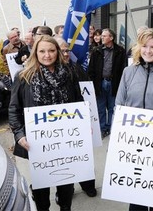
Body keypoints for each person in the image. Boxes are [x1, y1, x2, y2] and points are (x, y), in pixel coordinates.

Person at [8, 35, 84, 211]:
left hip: (66, 141)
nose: (47, 55)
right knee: (41, 187)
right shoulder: (24, 76)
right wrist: (19, 135)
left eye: (51, 50)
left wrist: (84, 126)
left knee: (66, 182)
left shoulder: (70, 73)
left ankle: (65, 207)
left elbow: (79, 102)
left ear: (57, 52)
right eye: (42, 51)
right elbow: (13, 109)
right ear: (35, 52)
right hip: (37, 143)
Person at [115, 28, 153, 211]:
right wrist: (117, 141)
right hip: (132, 144)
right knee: (136, 198)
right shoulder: (128, 72)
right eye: (144, 46)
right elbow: (119, 106)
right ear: (138, 47)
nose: (148, 51)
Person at [55, 37, 97, 198]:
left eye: (67, 50)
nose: (66, 54)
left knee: (83, 158)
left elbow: (87, 94)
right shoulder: (46, 74)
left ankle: (88, 185)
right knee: (63, 161)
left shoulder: (76, 69)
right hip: (58, 127)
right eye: (62, 50)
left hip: (78, 122)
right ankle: (66, 189)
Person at [88, 28, 126, 138]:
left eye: (105, 36)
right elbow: (91, 70)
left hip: (114, 83)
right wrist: (93, 84)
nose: (102, 38)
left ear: (111, 38)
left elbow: (123, 68)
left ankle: (112, 128)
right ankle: (103, 129)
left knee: (112, 107)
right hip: (100, 83)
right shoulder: (97, 51)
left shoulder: (120, 51)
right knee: (101, 108)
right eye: (102, 36)